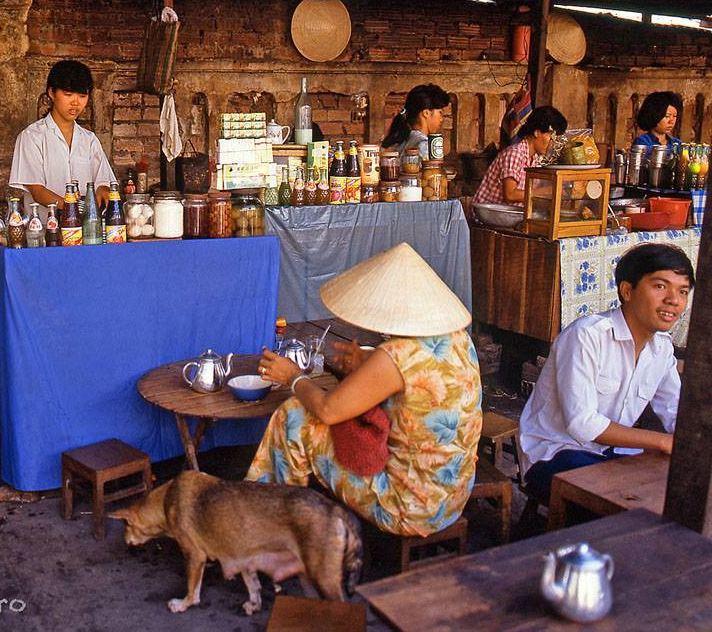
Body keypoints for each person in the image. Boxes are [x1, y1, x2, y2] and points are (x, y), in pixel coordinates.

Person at [247, 243, 481, 537]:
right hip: (452, 496)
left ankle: (267, 528)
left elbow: (328, 410)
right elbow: (419, 383)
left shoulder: (396, 356)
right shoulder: (459, 339)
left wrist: (292, 376)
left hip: (408, 507)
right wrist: (366, 363)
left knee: (293, 417)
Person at [519, 243, 694, 502]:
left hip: (611, 454)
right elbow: (582, 424)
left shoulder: (661, 348)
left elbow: (675, 411)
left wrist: (692, 443)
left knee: (679, 487)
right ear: (627, 291)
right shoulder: (587, 336)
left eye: (682, 291)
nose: (673, 300)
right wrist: (660, 441)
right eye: (660, 286)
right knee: (623, 502)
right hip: (556, 452)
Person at [9, 60, 116, 209]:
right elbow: (38, 192)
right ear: (52, 92)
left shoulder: (89, 140)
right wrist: (73, 211)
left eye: (82, 96)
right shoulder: (32, 137)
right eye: (68, 94)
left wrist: (103, 190)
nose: (76, 103)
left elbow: (103, 181)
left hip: (85, 229)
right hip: (46, 227)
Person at [472, 105, 567, 206]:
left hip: (511, 217)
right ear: (537, 133)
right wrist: (546, 192)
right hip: (487, 217)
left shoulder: (535, 160)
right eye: (550, 136)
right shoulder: (514, 153)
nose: (552, 143)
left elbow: (529, 195)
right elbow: (510, 195)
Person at [381, 84, 450, 160]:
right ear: (426, 113)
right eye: (440, 112)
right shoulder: (425, 145)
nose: (441, 119)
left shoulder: (403, 141)